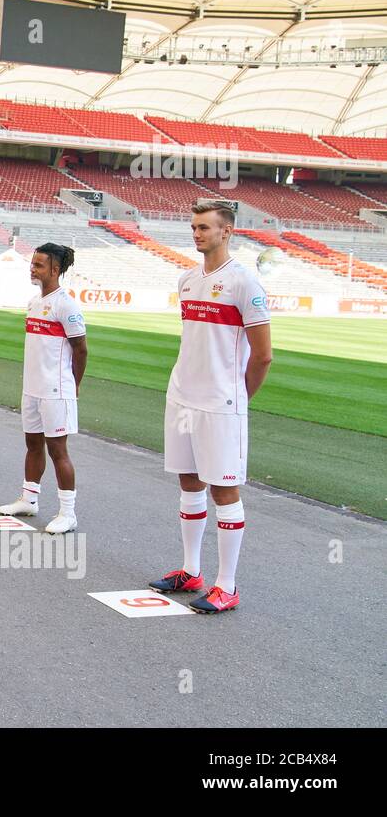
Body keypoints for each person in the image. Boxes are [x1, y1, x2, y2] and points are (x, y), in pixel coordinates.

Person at [150, 202, 272, 614]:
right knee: (188, 481)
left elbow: (263, 356)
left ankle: (227, 585)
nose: (196, 233)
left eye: (204, 227)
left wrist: (238, 401)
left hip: (220, 405)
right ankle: (191, 571)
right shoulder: (186, 280)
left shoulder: (244, 283)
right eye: (193, 227)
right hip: (182, 396)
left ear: (227, 232)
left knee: (224, 489)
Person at [0, 243, 88, 534]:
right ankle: (29, 499)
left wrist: (74, 386)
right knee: (33, 444)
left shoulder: (66, 304)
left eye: (38, 265)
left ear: (55, 269)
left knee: (58, 451)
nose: (32, 269)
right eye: (32, 263)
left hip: (55, 390)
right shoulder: (35, 301)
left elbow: (81, 348)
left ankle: (68, 513)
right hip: (32, 388)